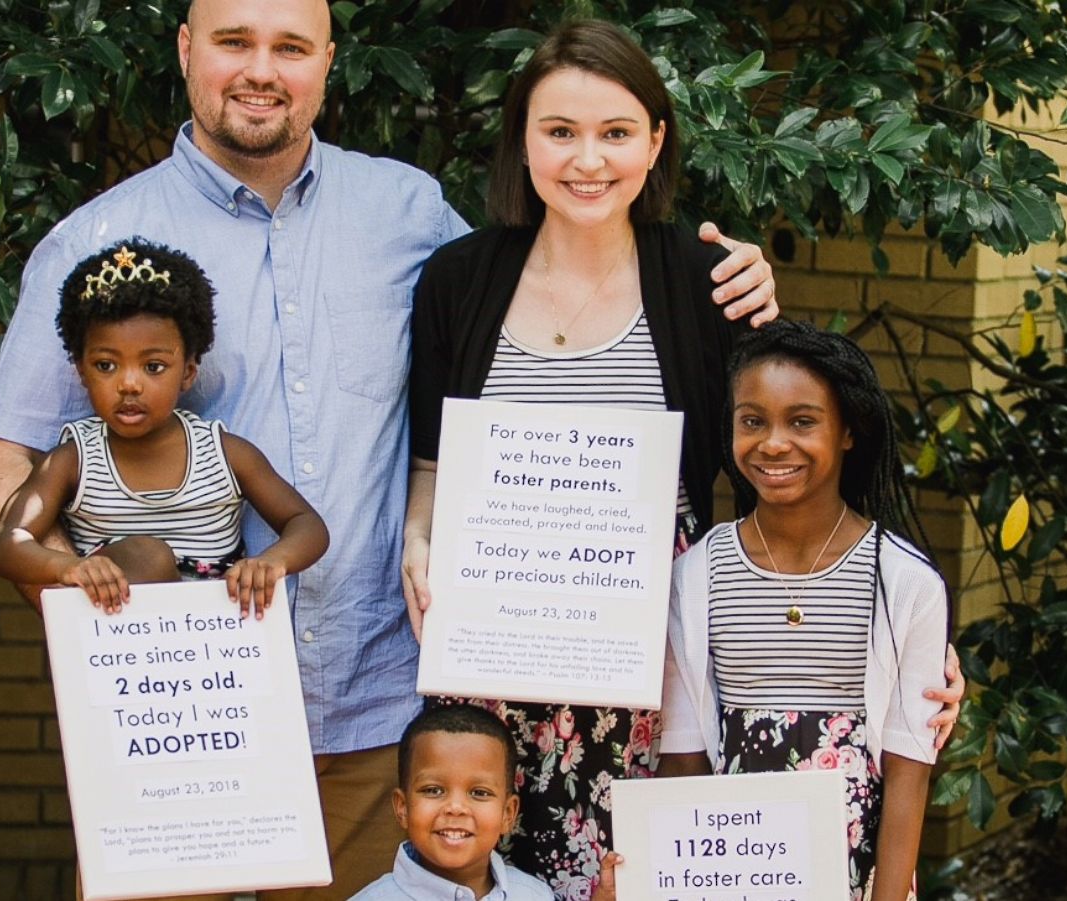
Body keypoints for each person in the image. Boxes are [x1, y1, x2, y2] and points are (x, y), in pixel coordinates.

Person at [0, 0, 779, 894]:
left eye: (291, 47)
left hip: (378, 719)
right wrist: (101, 606)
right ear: (187, 49)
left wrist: (730, 278)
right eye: (234, 42)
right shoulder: (97, 244)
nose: (261, 71)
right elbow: (2, 459)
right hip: (185, 721)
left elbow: (518, 361)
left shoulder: (408, 215)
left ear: (328, 61)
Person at [402, 21, 962, 896]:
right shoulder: (458, 279)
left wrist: (896, 638)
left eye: (616, 132)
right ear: (522, 139)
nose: (588, 160)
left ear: (656, 140)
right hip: (494, 653)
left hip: (655, 658)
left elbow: (791, 471)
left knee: (639, 874)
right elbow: (433, 462)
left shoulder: (708, 282)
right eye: (560, 132)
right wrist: (416, 541)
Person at [656, 320, 949, 901]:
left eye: (803, 421)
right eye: (752, 420)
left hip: (856, 872)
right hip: (727, 868)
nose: (773, 443)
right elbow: (683, 757)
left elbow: (909, 772)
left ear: (847, 431)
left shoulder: (904, 582)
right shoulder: (696, 576)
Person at [0, 240, 328, 617]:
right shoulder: (74, 461)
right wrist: (68, 567)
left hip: (220, 656)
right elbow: (8, 544)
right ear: (81, 372)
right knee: (147, 557)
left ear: (188, 373)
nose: (129, 384)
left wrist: (272, 562)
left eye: (153, 367)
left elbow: (307, 524)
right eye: (105, 365)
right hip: (121, 655)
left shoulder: (225, 454)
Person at [352, 705, 622, 901]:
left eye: (479, 793)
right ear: (402, 808)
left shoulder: (533, 895)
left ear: (508, 813)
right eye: (434, 790)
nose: (455, 807)